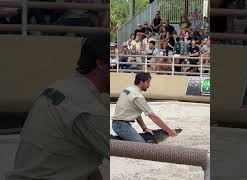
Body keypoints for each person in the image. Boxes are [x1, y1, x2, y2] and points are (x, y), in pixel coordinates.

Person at [5, 34, 109, 180]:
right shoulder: (89, 108)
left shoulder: (56, 88)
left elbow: (81, 163)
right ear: (101, 64)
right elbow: (126, 154)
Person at [112, 72, 177, 142]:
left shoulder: (128, 89)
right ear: (141, 82)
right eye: (148, 82)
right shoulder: (137, 96)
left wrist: (144, 128)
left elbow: (136, 112)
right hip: (121, 126)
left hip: (119, 124)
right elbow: (153, 117)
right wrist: (169, 131)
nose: (149, 85)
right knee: (142, 146)